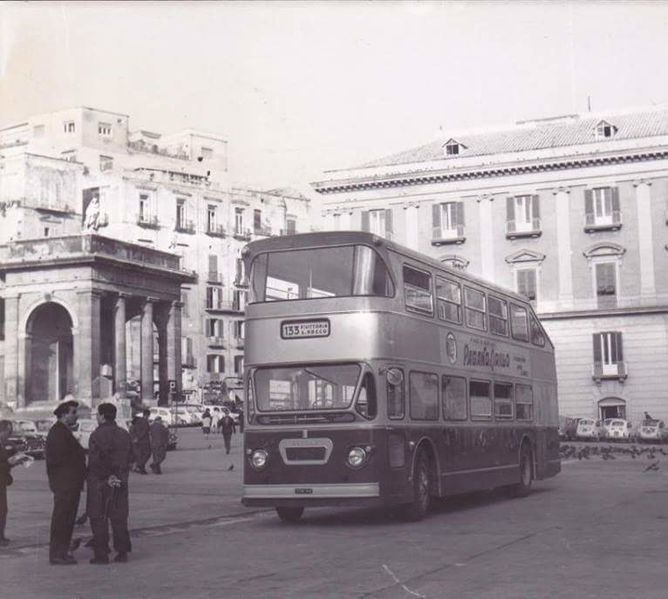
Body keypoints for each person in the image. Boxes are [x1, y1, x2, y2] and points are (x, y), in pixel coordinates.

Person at [87, 403, 133, 565]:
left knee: (98, 517)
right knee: (119, 517)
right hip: (121, 480)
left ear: (101, 416)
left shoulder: (96, 435)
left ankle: (101, 553)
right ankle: (122, 552)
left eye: (97, 415)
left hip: (100, 482)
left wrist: (106, 475)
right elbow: (131, 457)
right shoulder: (124, 434)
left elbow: (94, 461)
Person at [45, 400, 87, 565]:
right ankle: (57, 554)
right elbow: (59, 460)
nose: (76, 416)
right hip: (65, 484)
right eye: (73, 412)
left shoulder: (63, 431)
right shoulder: (58, 433)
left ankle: (62, 552)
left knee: (67, 519)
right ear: (63, 414)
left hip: (68, 484)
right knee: (62, 519)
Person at [0, 420, 31, 545]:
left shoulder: (4, 443)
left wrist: (18, 458)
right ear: (2, 430)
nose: (10, 433)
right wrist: (9, 463)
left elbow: (9, 456)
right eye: (9, 431)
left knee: (3, 510)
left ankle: (1, 536)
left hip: (2, 481)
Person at [130, 409, 151, 474]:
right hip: (144, 441)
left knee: (141, 455)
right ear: (147, 415)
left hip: (137, 442)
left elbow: (133, 430)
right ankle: (140, 465)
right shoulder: (145, 421)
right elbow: (144, 431)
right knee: (147, 453)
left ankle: (142, 469)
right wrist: (138, 438)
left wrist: (135, 438)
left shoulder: (137, 421)